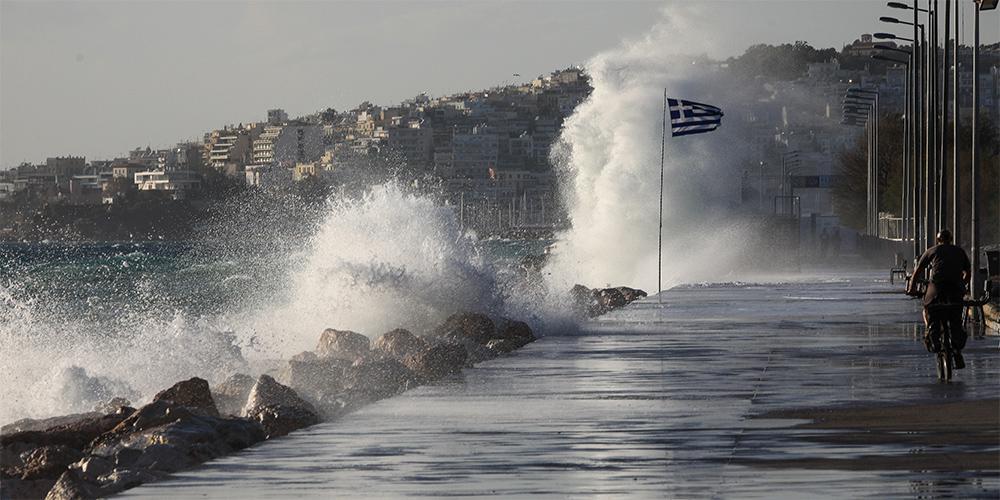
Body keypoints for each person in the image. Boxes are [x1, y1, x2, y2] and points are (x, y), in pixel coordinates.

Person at [906, 229, 971, 367]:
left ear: (938, 240)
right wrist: (962, 285)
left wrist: (912, 289)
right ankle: (957, 350)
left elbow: (918, 271)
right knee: (956, 318)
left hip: (937, 288)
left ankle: (932, 335)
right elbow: (968, 273)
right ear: (951, 239)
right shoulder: (959, 251)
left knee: (928, 308)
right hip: (955, 289)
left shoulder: (932, 250)